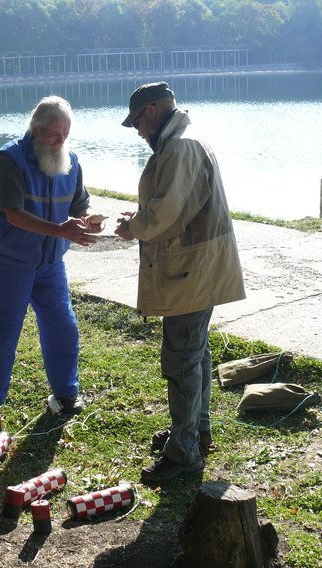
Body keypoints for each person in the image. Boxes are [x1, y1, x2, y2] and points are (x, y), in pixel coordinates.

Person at [115, 82, 246, 483]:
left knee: (181, 359)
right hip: (196, 267)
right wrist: (139, 219)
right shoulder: (181, 141)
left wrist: (133, 226)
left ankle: (185, 451)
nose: (138, 131)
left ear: (151, 111)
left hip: (191, 270)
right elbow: (174, 204)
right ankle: (194, 431)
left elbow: (165, 215)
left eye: (137, 122)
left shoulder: (180, 147)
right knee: (194, 353)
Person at [0, 96, 101, 432]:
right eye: (55, 134)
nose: (61, 140)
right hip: (10, 260)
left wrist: (89, 220)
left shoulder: (71, 160)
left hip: (50, 261)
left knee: (63, 327)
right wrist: (60, 230)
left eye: (66, 134)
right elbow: (13, 214)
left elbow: (79, 205)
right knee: (2, 333)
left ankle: (66, 394)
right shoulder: (9, 160)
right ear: (37, 129)